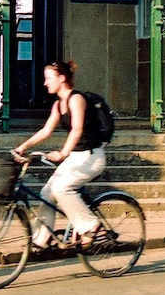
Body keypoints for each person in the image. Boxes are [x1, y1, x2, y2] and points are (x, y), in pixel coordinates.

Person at [14, 60, 106, 249]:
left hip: (91, 156)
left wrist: (63, 153)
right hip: (76, 157)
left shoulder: (76, 99)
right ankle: (42, 239)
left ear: (62, 79)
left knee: (61, 189)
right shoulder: (58, 105)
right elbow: (46, 131)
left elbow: (77, 129)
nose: (45, 83)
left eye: (49, 78)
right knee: (46, 193)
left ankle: (91, 226)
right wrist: (23, 147)